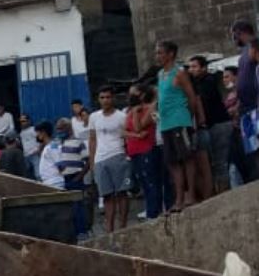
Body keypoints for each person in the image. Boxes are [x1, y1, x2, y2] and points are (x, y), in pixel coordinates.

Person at [156, 41, 207, 212]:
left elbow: (191, 97)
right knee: (172, 162)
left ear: (170, 54)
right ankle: (179, 198)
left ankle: (190, 195)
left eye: (160, 53)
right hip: (165, 124)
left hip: (180, 121)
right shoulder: (160, 74)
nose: (158, 56)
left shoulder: (179, 73)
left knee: (187, 158)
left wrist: (189, 117)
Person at [88, 86, 131, 232]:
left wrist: (127, 156)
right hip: (100, 159)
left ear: (113, 98)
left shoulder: (121, 116)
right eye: (102, 97)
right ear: (98, 100)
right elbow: (92, 140)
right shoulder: (94, 117)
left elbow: (127, 138)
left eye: (108, 97)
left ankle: (123, 226)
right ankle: (109, 228)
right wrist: (92, 162)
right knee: (106, 195)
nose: (105, 100)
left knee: (122, 193)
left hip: (118, 155)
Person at [189, 55, 232, 194]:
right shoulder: (198, 84)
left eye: (194, 66)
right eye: (190, 67)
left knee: (221, 161)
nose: (191, 70)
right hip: (212, 125)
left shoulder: (207, 82)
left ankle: (225, 192)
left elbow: (203, 102)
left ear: (203, 68)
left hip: (219, 124)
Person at [125, 85, 164, 220]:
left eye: (135, 94)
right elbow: (124, 130)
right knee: (143, 183)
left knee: (151, 182)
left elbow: (137, 127)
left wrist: (136, 112)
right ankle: (150, 209)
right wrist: (135, 136)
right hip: (134, 151)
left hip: (146, 149)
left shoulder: (148, 109)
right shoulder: (130, 111)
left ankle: (154, 212)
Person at [231, 20, 259, 182]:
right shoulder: (243, 53)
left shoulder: (254, 47)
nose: (233, 39)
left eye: (234, 34)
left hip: (256, 106)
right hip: (246, 108)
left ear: (240, 32)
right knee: (252, 146)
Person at [55, 118, 91, 237]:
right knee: (68, 208)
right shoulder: (58, 144)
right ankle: (73, 232)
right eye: (57, 129)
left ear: (68, 128)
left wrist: (80, 176)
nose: (58, 131)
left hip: (75, 177)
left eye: (60, 128)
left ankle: (83, 232)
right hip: (63, 179)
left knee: (78, 206)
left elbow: (88, 161)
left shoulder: (78, 142)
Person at [35, 121, 63, 189]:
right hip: (49, 183)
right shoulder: (47, 147)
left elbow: (60, 165)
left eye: (38, 132)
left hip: (55, 183)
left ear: (43, 132)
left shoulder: (52, 147)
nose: (36, 135)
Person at [18, 114, 40, 178]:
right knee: (28, 175)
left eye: (23, 121)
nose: (22, 123)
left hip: (35, 154)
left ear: (29, 121)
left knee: (38, 174)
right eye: (21, 121)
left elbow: (39, 140)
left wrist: (38, 150)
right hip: (26, 155)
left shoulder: (33, 129)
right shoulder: (21, 132)